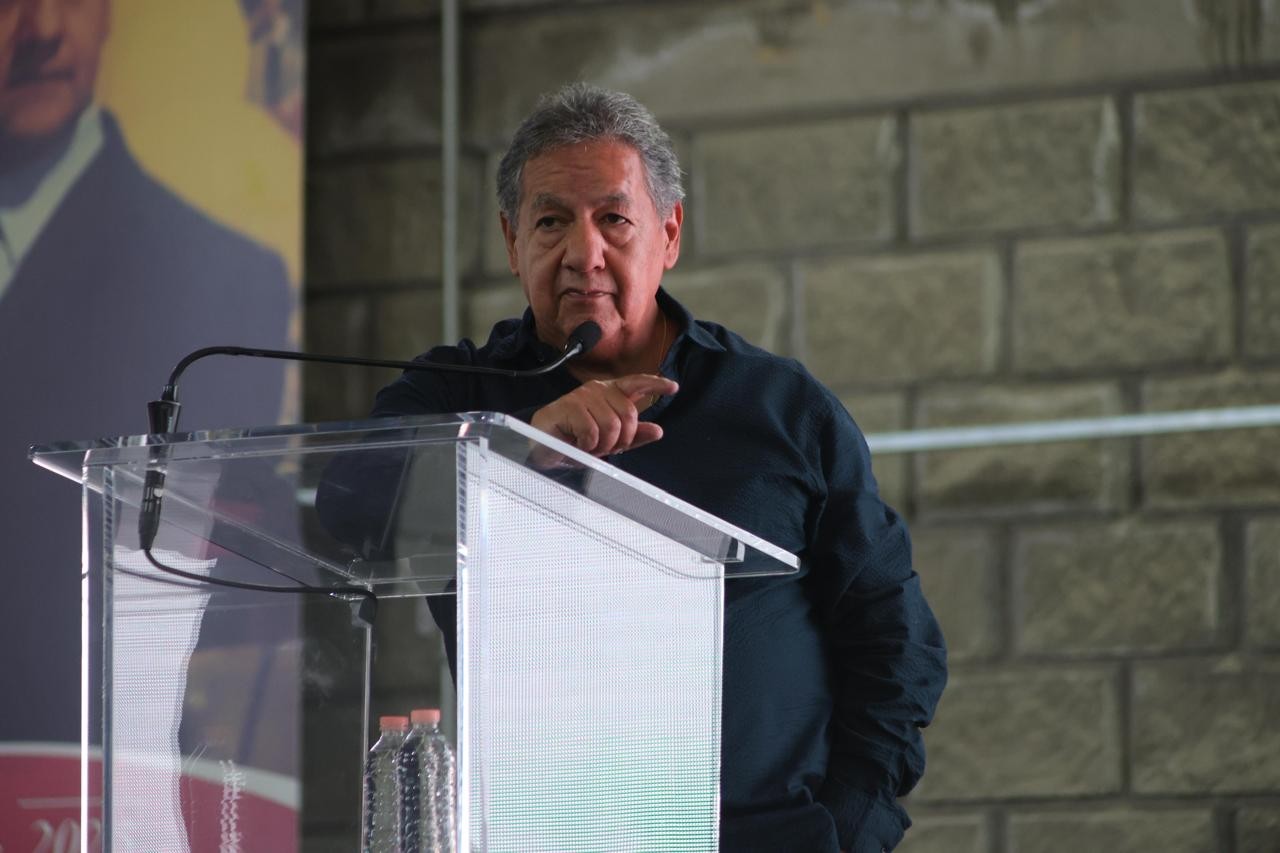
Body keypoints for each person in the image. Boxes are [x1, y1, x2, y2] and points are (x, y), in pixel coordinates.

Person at [368, 84, 947, 853]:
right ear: (512, 242)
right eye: (551, 221)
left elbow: (894, 638)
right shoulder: (455, 397)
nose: (584, 254)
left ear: (669, 233)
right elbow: (350, 508)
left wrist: (847, 829)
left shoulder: (780, 408)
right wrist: (519, 448)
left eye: (614, 218)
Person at [0, 0, 291, 750]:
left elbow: (199, 567)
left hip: (89, 761)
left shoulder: (229, 280)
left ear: (108, 15)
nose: (42, 32)